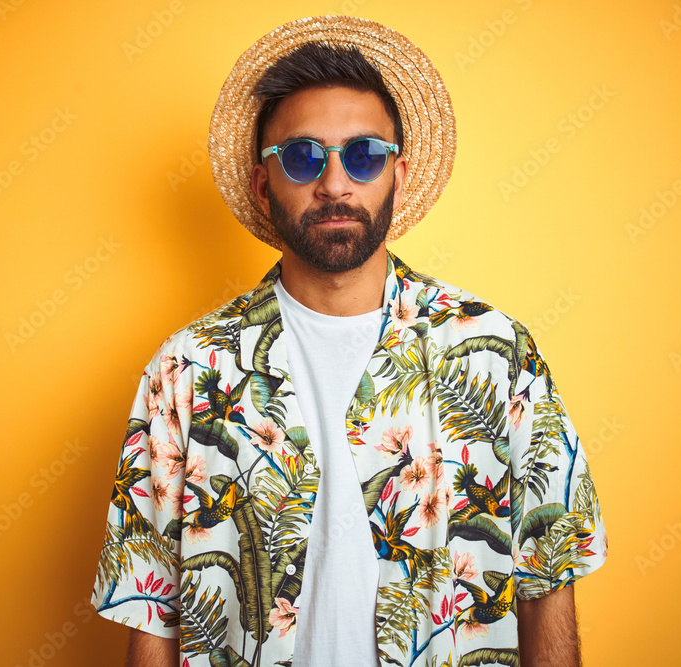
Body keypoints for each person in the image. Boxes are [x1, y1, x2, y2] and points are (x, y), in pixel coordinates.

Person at [91, 15, 607, 667]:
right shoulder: (186, 372)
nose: (334, 183)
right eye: (303, 156)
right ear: (261, 181)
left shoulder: (497, 354)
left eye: (362, 155)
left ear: (398, 173)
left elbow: (547, 579)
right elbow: (151, 609)